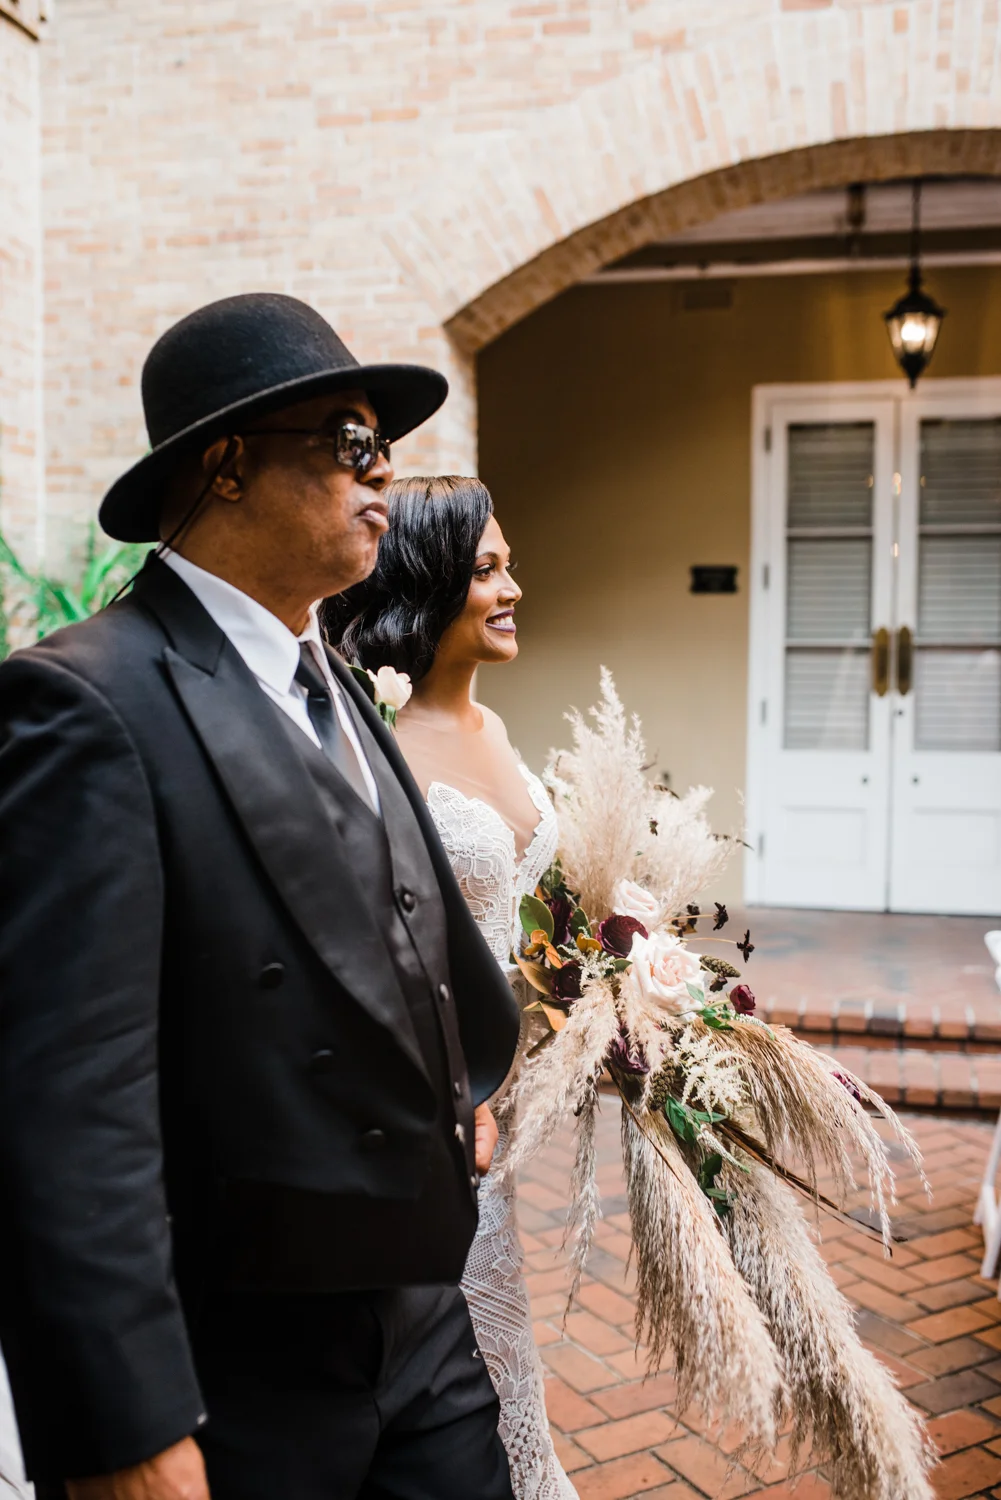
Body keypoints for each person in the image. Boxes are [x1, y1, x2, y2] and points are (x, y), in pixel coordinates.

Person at [0, 295, 521, 1500]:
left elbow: (406, 921)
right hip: (240, 1356)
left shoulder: (332, 673)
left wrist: (462, 1084)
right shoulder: (84, 704)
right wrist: (125, 1424)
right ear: (224, 464)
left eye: (382, 445)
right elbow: (66, 1094)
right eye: (346, 440)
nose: (381, 469)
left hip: (422, 1316)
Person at [324, 477, 578, 1500]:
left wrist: (599, 995)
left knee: (498, 1343)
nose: (511, 587)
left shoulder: (497, 730)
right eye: (485, 571)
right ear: (426, 588)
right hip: (436, 1113)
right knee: (445, 1342)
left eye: (507, 563)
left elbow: (534, 917)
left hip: (508, 1112)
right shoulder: (372, 748)